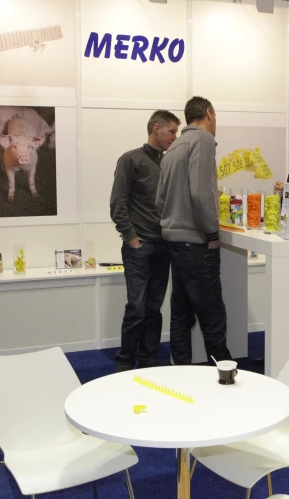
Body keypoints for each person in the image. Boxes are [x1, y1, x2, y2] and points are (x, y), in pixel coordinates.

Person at [156, 96, 232, 365]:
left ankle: (182, 374)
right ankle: (224, 377)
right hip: (196, 245)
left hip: (174, 243)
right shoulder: (202, 141)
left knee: (181, 315)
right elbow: (200, 193)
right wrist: (212, 233)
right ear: (209, 113)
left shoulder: (174, 147)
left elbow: (160, 200)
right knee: (212, 316)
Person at [110, 110, 181, 371]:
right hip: (139, 247)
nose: (175, 136)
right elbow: (118, 204)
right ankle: (125, 362)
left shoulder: (169, 161)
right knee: (137, 308)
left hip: (164, 246)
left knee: (154, 308)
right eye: (172, 131)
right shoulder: (130, 160)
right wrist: (132, 239)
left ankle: (149, 359)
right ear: (156, 128)